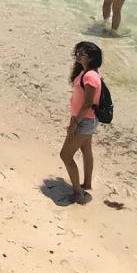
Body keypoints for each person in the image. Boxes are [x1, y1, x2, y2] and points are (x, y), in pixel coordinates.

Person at [59, 41, 103, 204]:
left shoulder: (90, 76)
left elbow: (88, 103)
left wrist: (75, 122)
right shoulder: (87, 72)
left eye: (81, 54)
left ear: (91, 58)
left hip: (84, 120)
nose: (77, 56)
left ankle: (78, 192)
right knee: (86, 150)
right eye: (77, 52)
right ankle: (87, 183)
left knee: (65, 155)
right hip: (86, 119)